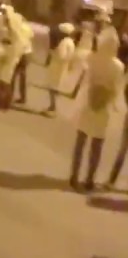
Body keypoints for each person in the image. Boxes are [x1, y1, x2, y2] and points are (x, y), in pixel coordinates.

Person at [72, 27, 124, 190]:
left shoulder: (92, 58)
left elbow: (86, 78)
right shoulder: (118, 66)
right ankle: (89, 179)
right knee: (97, 144)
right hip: (104, 106)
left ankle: (74, 175)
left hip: (88, 101)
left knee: (80, 141)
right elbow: (117, 88)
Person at [44, 22, 76, 115]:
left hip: (58, 67)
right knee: (56, 87)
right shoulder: (71, 42)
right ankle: (52, 107)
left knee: (53, 88)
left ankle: (53, 108)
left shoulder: (64, 42)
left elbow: (61, 56)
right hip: (63, 67)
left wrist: (52, 52)